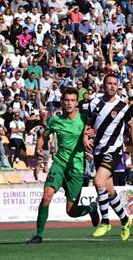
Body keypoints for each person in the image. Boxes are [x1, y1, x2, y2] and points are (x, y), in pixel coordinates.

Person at [27, 87, 100, 244]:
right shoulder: (55, 120)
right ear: (62, 101)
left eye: (73, 100)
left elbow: (94, 133)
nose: (69, 103)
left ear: (76, 103)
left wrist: (89, 138)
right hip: (59, 163)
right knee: (47, 196)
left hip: (77, 167)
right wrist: (38, 149)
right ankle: (38, 235)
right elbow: (43, 136)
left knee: (71, 212)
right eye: (67, 100)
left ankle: (91, 208)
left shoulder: (84, 119)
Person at [83, 74, 133, 241]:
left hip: (114, 151)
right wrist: (85, 137)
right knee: (109, 191)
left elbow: (132, 127)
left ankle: (105, 222)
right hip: (98, 151)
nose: (112, 86)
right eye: (109, 83)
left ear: (118, 86)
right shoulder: (94, 103)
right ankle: (125, 220)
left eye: (115, 84)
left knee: (98, 182)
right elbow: (88, 124)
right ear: (103, 85)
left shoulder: (123, 106)